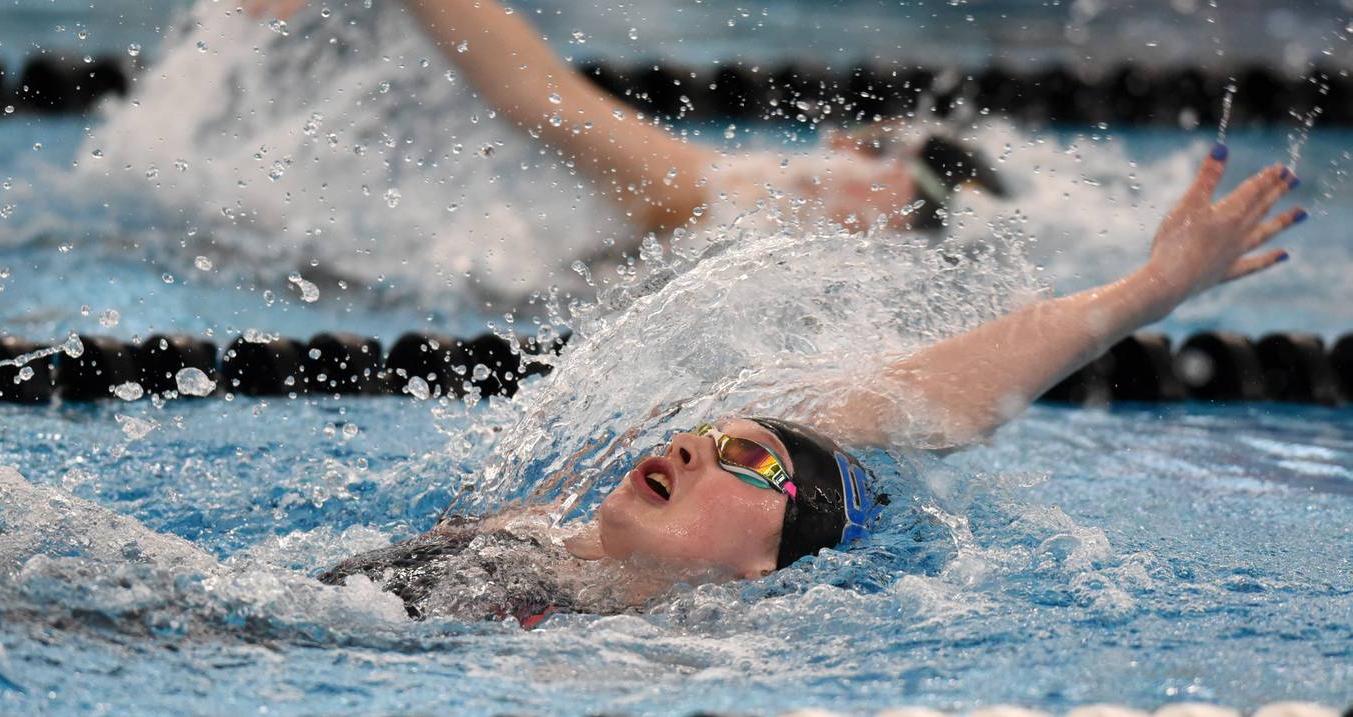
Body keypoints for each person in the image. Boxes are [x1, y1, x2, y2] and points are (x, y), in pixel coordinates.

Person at [317, 145, 1307, 625]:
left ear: (767, 563)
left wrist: (1150, 292)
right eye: (712, 435)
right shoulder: (522, 531)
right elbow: (913, 401)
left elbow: (928, 405)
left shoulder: (677, 655)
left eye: (746, 457)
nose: (700, 445)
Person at [244, 0, 1007, 241]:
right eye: (894, 176)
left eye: (919, 207)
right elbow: (531, 93)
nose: (896, 205)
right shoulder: (698, 188)